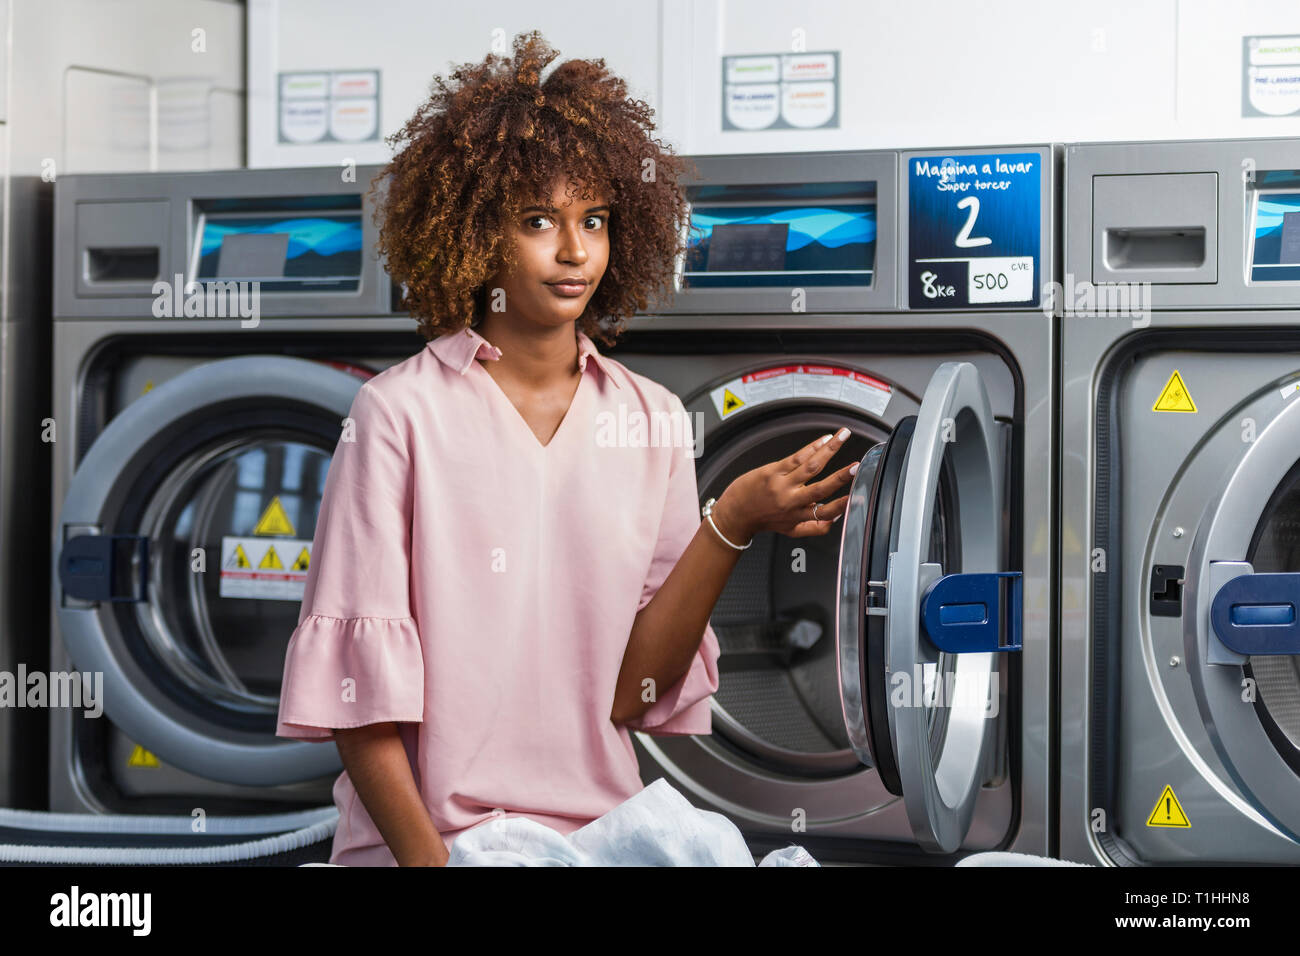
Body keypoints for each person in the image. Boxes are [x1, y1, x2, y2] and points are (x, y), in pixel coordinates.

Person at [275, 30, 858, 866]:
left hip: (598, 838)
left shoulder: (652, 418)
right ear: (477, 237)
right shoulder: (396, 415)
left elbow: (635, 692)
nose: (576, 251)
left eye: (595, 220)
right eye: (539, 221)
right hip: (431, 845)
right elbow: (357, 701)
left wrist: (730, 521)